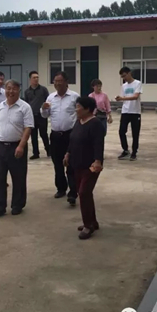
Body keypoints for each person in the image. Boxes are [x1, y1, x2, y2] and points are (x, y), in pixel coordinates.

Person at [0, 80, 34, 219]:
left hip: (16, 146)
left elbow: (28, 128)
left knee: (18, 177)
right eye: (8, 88)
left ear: (19, 90)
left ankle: (17, 205)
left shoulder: (24, 107)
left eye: (14, 89)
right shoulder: (1, 106)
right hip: (0, 147)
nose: (11, 91)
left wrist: (21, 146)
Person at [63, 97, 104, 240]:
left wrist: (98, 161)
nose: (76, 109)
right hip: (77, 163)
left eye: (78, 106)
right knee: (86, 194)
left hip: (90, 166)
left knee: (83, 192)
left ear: (87, 109)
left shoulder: (95, 124)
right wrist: (67, 154)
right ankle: (93, 222)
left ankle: (88, 226)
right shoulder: (78, 122)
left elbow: (98, 144)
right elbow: (72, 139)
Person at [41, 71, 80, 205]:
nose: (57, 83)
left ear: (66, 82)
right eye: (55, 81)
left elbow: (80, 114)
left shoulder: (74, 97)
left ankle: (73, 192)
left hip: (70, 135)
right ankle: (61, 188)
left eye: (60, 81)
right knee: (57, 163)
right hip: (55, 135)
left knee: (71, 164)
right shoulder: (51, 97)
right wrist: (43, 109)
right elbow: (45, 115)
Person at [116, 67, 142, 161]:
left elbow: (135, 96)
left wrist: (122, 98)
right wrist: (120, 98)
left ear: (129, 73)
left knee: (135, 133)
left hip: (135, 112)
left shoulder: (137, 83)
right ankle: (125, 150)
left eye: (124, 76)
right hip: (125, 111)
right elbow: (123, 97)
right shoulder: (124, 86)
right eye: (122, 77)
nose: (124, 78)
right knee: (121, 131)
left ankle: (134, 152)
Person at [24, 71, 50, 160]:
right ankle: (36, 153)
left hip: (41, 115)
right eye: (34, 77)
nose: (36, 79)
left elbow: (47, 101)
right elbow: (26, 104)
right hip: (32, 116)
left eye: (37, 77)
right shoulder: (27, 91)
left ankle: (49, 151)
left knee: (44, 134)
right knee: (33, 135)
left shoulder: (43, 90)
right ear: (30, 79)